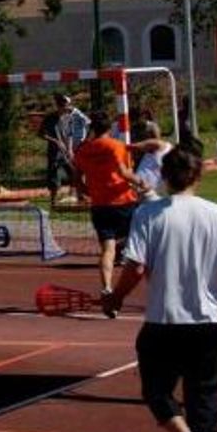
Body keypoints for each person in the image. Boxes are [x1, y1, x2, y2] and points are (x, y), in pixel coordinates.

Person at [105, 145, 217, 432]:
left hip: (164, 321)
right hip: (207, 322)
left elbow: (136, 267)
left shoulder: (149, 214)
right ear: (199, 175)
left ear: (164, 177)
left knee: (157, 391)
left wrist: (116, 297)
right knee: (204, 396)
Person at [72, 111, 146, 306]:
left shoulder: (83, 150)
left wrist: (86, 191)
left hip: (100, 205)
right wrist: (141, 182)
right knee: (142, 245)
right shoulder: (117, 146)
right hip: (124, 202)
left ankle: (107, 287)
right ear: (109, 128)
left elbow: (77, 177)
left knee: (108, 249)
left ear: (93, 129)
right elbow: (125, 172)